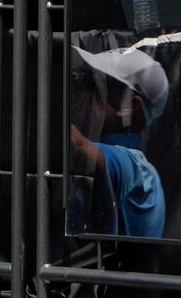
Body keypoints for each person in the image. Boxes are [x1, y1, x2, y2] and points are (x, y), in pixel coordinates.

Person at [70, 45, 167, 238]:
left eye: (96, 84)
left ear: (128, 106)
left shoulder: (135, 167)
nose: (82, 90)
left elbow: (76, 145)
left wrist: (17, 79)